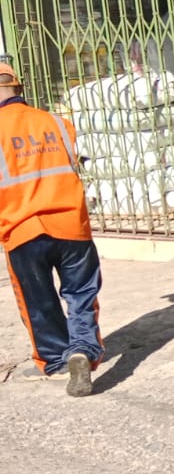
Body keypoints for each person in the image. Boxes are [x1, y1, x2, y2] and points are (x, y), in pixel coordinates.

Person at [1, 62, 104, 397]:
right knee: (81, 296)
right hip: (71, 224)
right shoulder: (57, 122)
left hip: (22, 230)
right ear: (19, 87)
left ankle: (55, 362)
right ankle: (82, 351)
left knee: (38, 301)